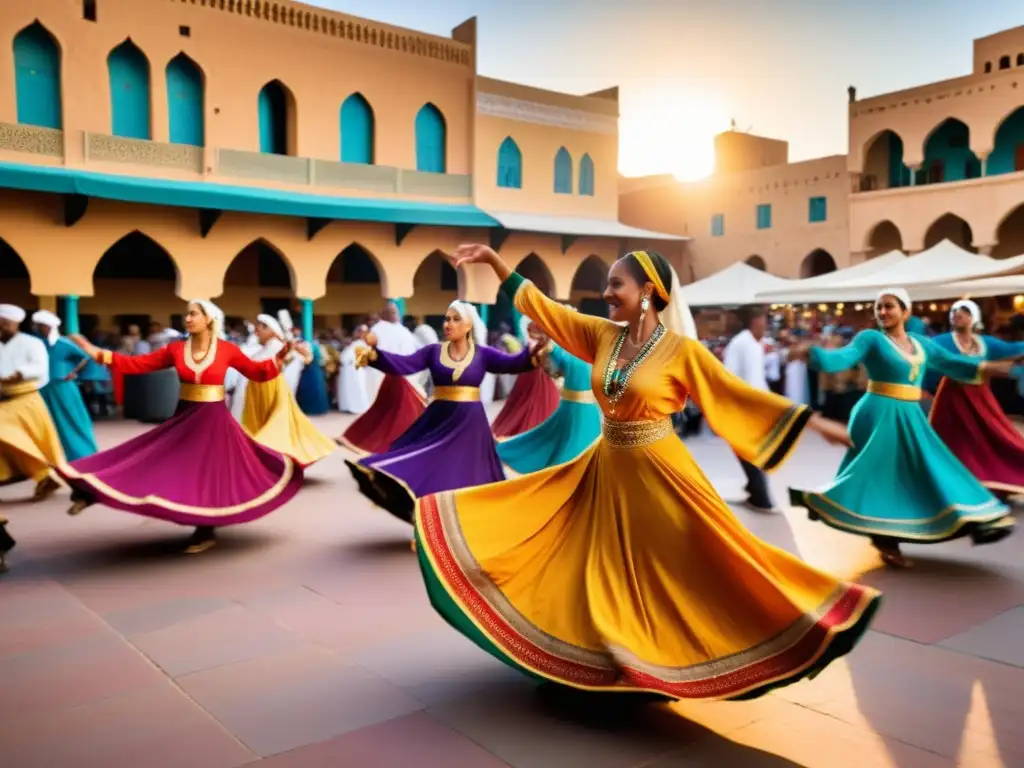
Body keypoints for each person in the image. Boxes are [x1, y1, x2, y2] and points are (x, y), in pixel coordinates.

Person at [413, 244, 877, 702]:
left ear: (649, 292)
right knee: (591, 568)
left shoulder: (681, 351)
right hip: (604, 469)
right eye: (608, 283)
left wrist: (812, 422)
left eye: (616, 283)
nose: (607, 291)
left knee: (697, 563)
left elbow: (734, 396)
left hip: (660, 474)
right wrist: (496, 263)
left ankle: (706, 650)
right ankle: (600, 662)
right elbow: (544, 308)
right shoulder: (603, 336)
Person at [789, 289, 1016, 569]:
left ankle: (967, 516)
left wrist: (988, 367)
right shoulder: (870, 339)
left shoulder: (921, 344)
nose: (883, 312)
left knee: (929, 467)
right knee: (882, 474)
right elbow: (842, 358)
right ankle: (884, 538)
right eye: (879, 307)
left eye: (889, 307)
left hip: (910, 414)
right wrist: (812, 355)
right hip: (878, 413)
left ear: (905, 312)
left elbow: (952, 363)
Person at [53, 300, 303, 555]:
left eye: (193, 314)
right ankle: (93, 490)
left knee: (210, 476)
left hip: (215, 422)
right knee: (152, 460)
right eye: (187, 314)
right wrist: (93, 350)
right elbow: (136, 364)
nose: (187, 318)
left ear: (209, 320)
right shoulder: (175, 349)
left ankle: (205, 530)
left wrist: (281, 355)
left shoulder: (227, 349)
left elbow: (257, 372)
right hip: (185, 418)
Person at [346, 300, 535, 526]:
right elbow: (404, 364)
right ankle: (429, 517)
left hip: (471, 425)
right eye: (447, 319)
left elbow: (515, 363)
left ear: (468, 326)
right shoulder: (433, 352)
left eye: (456, 319)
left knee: (467, 471)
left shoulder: (483, 354)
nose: (449, 324)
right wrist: (375, 355)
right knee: (432, 465)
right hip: (439, 419)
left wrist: (535, 350)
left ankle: (467, 521)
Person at [927, 299, 1024, 497]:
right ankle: (955, 481)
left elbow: (1012, 348)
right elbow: (932, 356)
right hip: (952, 397)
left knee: (994, 434)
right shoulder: (942, 341)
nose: (957, 316)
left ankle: (994, 476)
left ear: (973, 318)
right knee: (955, 439)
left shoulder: (984, 342)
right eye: (954, 313)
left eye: (963, 313)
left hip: (980, 396)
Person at [496, 319, 602, 474]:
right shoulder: (559, 349)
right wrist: (546, 342)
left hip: (590, 409)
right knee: (561, 446)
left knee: (592, 449)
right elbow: (554, 369)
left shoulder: (595, 349)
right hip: (572, 407)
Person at [238, 315, 335, 468]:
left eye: (260, 329)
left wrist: (290, 347)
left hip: (272, 390)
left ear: (270, 330)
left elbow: (300, 358)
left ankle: (272, 458)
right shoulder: (265, 347)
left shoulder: (277, 345)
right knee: (260, 425)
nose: (257, 332)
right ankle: (263, 460)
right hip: (258, 393)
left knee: (276, 425)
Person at [338, 302, 426, 455]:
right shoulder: (390, 330)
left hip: (392, 375)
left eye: (394, 311)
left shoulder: (392, 330)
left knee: (392, 411)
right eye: (392, 311)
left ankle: (389, 441)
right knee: (390, 410)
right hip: (394, 375)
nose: (394, 314)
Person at [0, 304, 65, 501]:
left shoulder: (31, 343)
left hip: (25, 399)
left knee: (16, 438)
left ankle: (43, 474)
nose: (1, 327)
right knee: (10, 441)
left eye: (5, 324)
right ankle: (42, 476)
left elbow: (39, 366)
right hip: (3, 399)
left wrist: (19, 373)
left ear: (16, 324)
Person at [722, 307, 775, 511]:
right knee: (747, 450)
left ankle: (757, 491)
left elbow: (757, 378)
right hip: (746, 407)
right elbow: (731, 377)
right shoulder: (742, 343)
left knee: (751, 450)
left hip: (756, 406)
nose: (766, 324)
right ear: (755, 321)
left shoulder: (753, 343)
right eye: (764, 320)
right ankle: (759, 494)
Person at [32, 310, 98, 461]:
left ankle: (83, 455)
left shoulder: (63, 343)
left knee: (71, 420)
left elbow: (85, 357)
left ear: (50, 326)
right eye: (37, 325)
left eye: (41, 326)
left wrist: (74, 372)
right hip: (40, 387)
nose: (38, 328)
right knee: (42, 423)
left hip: (62, 387)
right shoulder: (36, 342)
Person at [491, 318, 560, 439]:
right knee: (525, 399)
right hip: (533, 368)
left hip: (540, 370)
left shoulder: (543, 322)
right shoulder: (532, 323)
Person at [337, 326, 372, 414]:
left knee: (358, 387)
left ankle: (359, 407)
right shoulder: (353, 343)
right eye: (358, 331)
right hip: (347, 370)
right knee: (347, 389)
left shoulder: (362, 343)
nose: (358, 333)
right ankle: (349, 407)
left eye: (361, 332)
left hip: (355, 369)